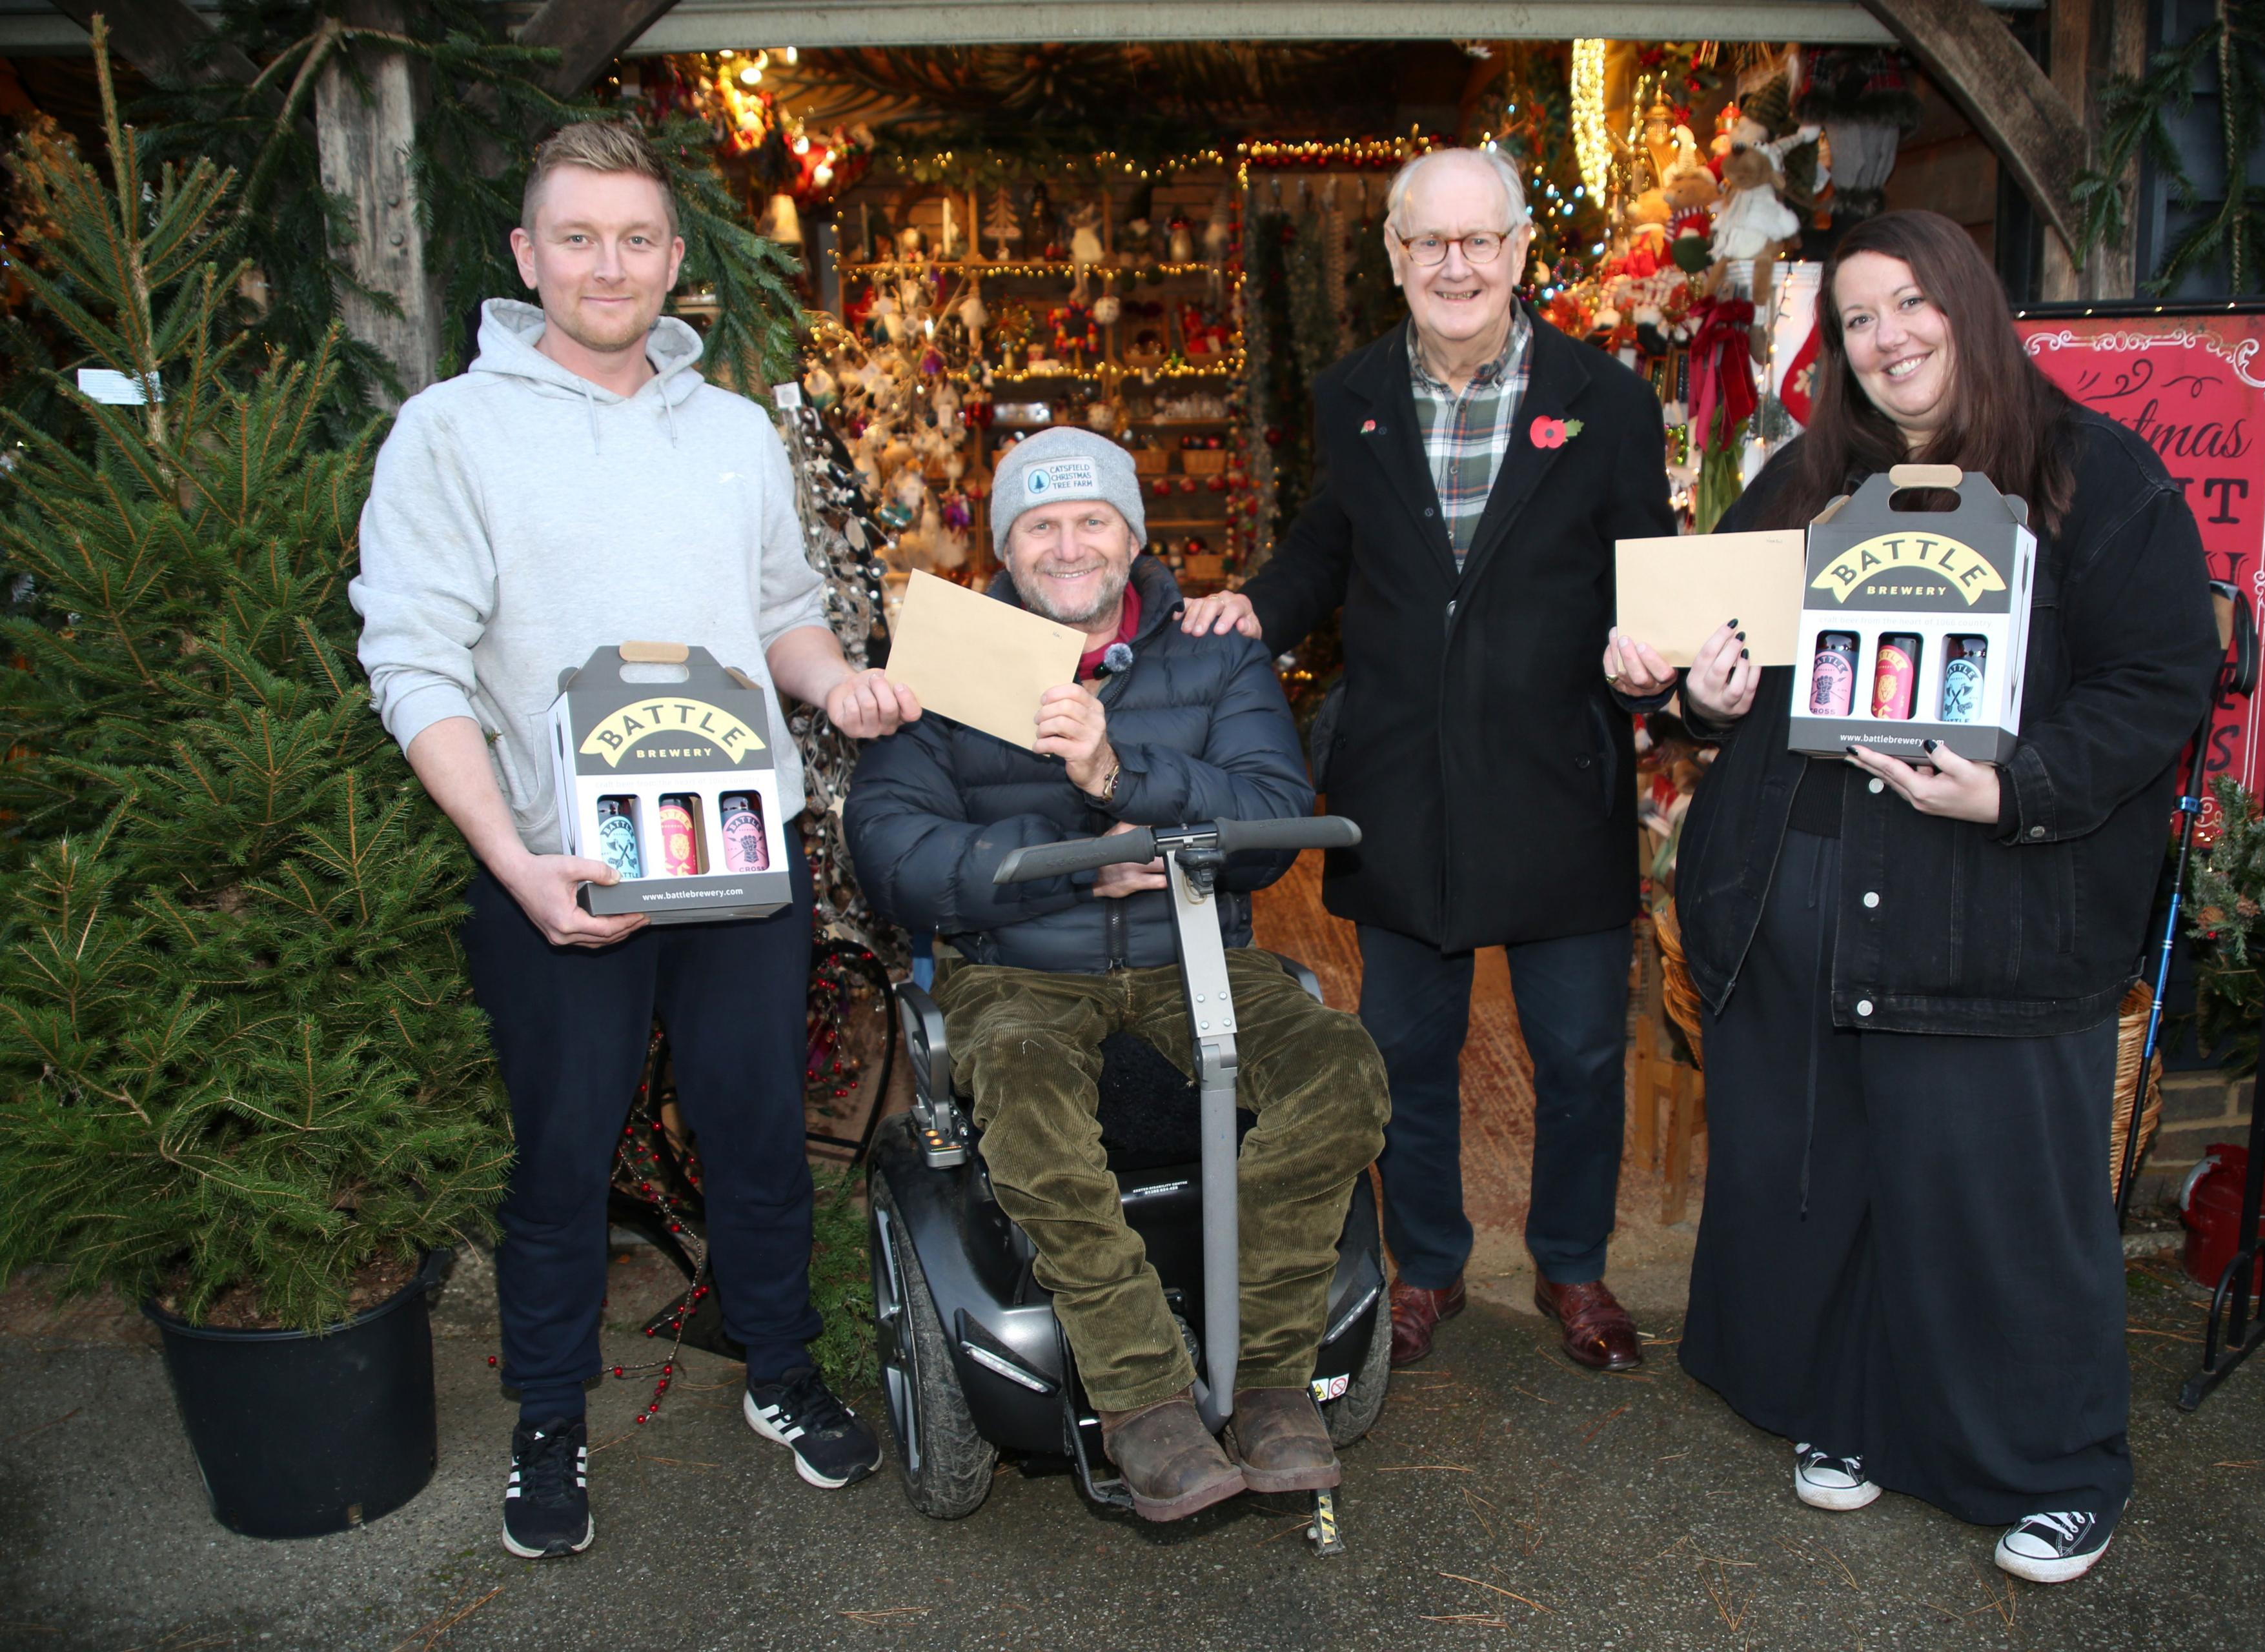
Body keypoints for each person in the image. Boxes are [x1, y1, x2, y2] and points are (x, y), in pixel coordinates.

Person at [351, 121, 921, 1560]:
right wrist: (511, 857)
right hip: (563, 867)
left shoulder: (731, 430)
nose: (612, 264)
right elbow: (414, 664)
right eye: (580, 237)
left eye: (640, 238)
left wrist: (832, 678)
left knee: (758, 1137)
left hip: (740, 857)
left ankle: (780, 1367)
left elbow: (784, 609)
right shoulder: (452, 432)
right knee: (559, 1155)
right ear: (528, 255)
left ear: (678, 260)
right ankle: (551, 1411)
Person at [1643, 210, 2218, 1586]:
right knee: (1828, 1178)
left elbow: (2156, 687)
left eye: (1913, 305)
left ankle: (2059, 1464)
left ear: (1971, 304)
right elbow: (1713, 662)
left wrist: (2012, 788)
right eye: (1858, 319)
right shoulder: (1804, 479)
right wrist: (1700, 690)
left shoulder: (2096, 478)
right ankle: (1848, 1413)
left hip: (1993, 907)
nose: (1890, 338)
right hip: (1811, 900)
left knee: (1999, 1202)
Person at [1181, 147, 1676, 1373]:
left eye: (1480, 241)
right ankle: (1431, 1266)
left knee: (1578, 1055)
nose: (1456, 265)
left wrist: (1660, 659)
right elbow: (1323, 546)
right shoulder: (1352, 392)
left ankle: (1572, 1265)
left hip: (1560, 778)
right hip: (1404, 785)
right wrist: (1256, 607)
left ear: (1518, 252)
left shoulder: (1604, 397)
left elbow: (1650, 574)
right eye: (1429, 243)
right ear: (1396, 258)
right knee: (1406, 1052)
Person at [844, 428, 1390, 1523]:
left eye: (1091, 518)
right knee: (1029, 1100)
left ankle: (1274, 1379)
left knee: (1340, 1069)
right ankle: (1144, 1395)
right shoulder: (950, 666)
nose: (1067, 544)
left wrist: (1118, 774)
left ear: (1132, 533)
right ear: (1006, 547)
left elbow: (1276, 816)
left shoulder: (1215, 654)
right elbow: (888, 846)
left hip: (1197, 952)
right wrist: (1059, 879)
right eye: (1038, 526)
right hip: (1023, 974)